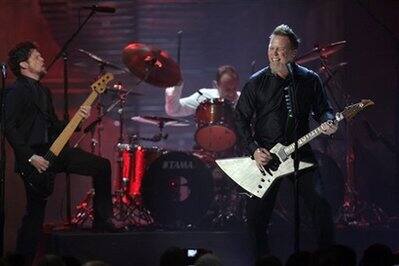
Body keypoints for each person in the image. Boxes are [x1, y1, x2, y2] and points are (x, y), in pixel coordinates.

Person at [4, 41, 116, 262]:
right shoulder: (14, 91)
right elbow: (8, 126)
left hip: (55, 151)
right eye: (37, 57)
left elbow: (54, 126)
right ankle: (22, 260)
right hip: (34, 157)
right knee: (35, 214)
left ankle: (103, 222)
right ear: (24, 65)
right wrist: (29, 156)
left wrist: (78, 120)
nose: (43, 59)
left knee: (102, 166)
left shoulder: (43, 91)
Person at [234, 25, 338, 257]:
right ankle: (263, 260)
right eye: (271, 48)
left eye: (281, 50)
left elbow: (324, 110)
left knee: (320, 206)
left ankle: (328, 259)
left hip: (300, 151)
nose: (275, 54)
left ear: (293, 53)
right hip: (266, 158)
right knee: (256, 217)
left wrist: (329, 121)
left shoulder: (309, 80)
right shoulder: (256, 82)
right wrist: (253, 149)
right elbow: (239, 118)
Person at [165, 65, 240, 117]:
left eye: (234, 89)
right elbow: (174, 110)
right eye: (227, 89)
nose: (231, 94)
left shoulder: (244, 100)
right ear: (215, 85)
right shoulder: (204, 97)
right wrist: (176, 88)